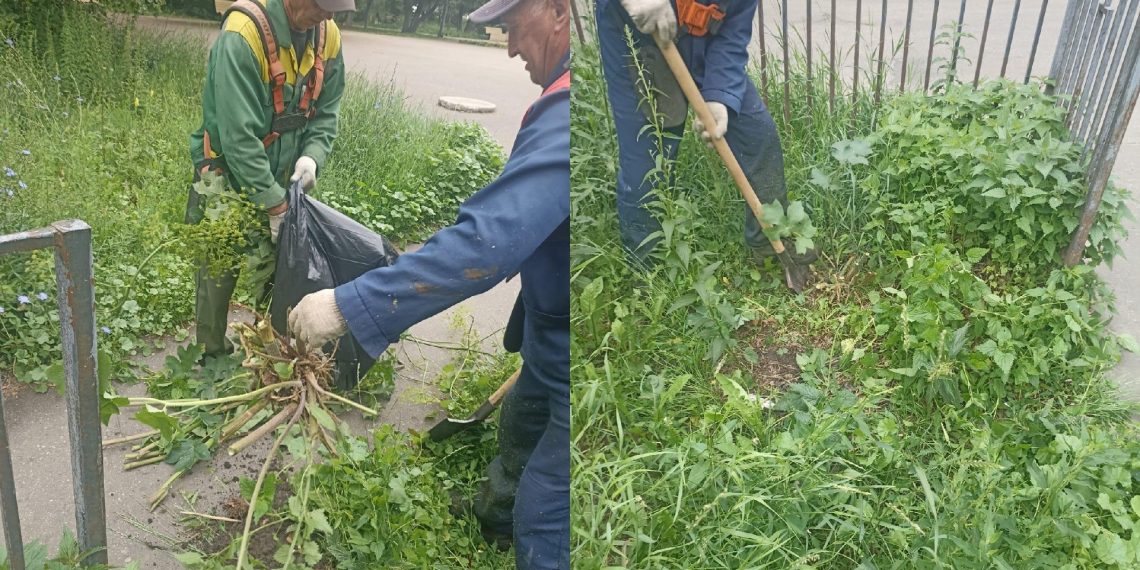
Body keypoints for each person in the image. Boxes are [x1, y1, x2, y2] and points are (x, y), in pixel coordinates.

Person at [287, 0, 572, 565]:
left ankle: (534, 529)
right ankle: (497, 517)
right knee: (524, 418)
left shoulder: (572, 114)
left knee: (548, 508)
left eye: (513, 29)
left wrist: (350, 304)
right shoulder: (567, 90)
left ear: (560, 10)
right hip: (549, 325)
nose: (510, 47)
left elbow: (484, 244)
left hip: (574, 337)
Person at [596, 0, 817, 273]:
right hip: (638, 37)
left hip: (705, 36)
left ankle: (768, 239)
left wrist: (720, 95)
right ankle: (647, 275)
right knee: (649, 157)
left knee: (757, 134)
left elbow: (733, 30)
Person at [187, 0, 354, 358]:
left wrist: (312, 156)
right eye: (322, 6)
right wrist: (275, 206)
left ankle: (279, 349)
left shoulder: (329, 35)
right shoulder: (242, 35)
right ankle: (210, 352)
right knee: (219, 265)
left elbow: (327, 110)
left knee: (285, 265)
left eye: (336, 8)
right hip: (226, 172)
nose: (328, 15)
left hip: (285, 174)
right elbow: (238, 138)